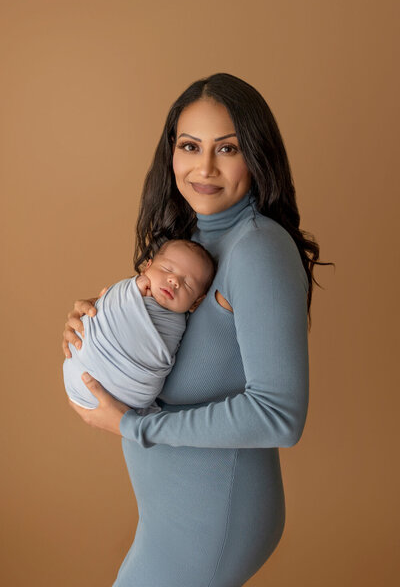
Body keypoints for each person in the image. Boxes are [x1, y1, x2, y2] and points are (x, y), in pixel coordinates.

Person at [63, 73, 330, 586]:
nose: (204, 167)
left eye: (226, 148)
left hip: (212, 520)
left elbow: (280, 417)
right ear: (172, 154)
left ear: (256, 154)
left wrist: (133, 426)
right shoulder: (190, 242)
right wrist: (95, 332)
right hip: (174, 517)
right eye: (190, 146)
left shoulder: (257, 251)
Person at [63, 238, 216, 412]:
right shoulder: (130, 291)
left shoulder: (179, 325)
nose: (174, 281)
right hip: (83, 366)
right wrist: (128, 291)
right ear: (147, 267)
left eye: (188, 284)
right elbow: (106, 308)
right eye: (167, 269)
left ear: (196, 303)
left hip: (129, 397)